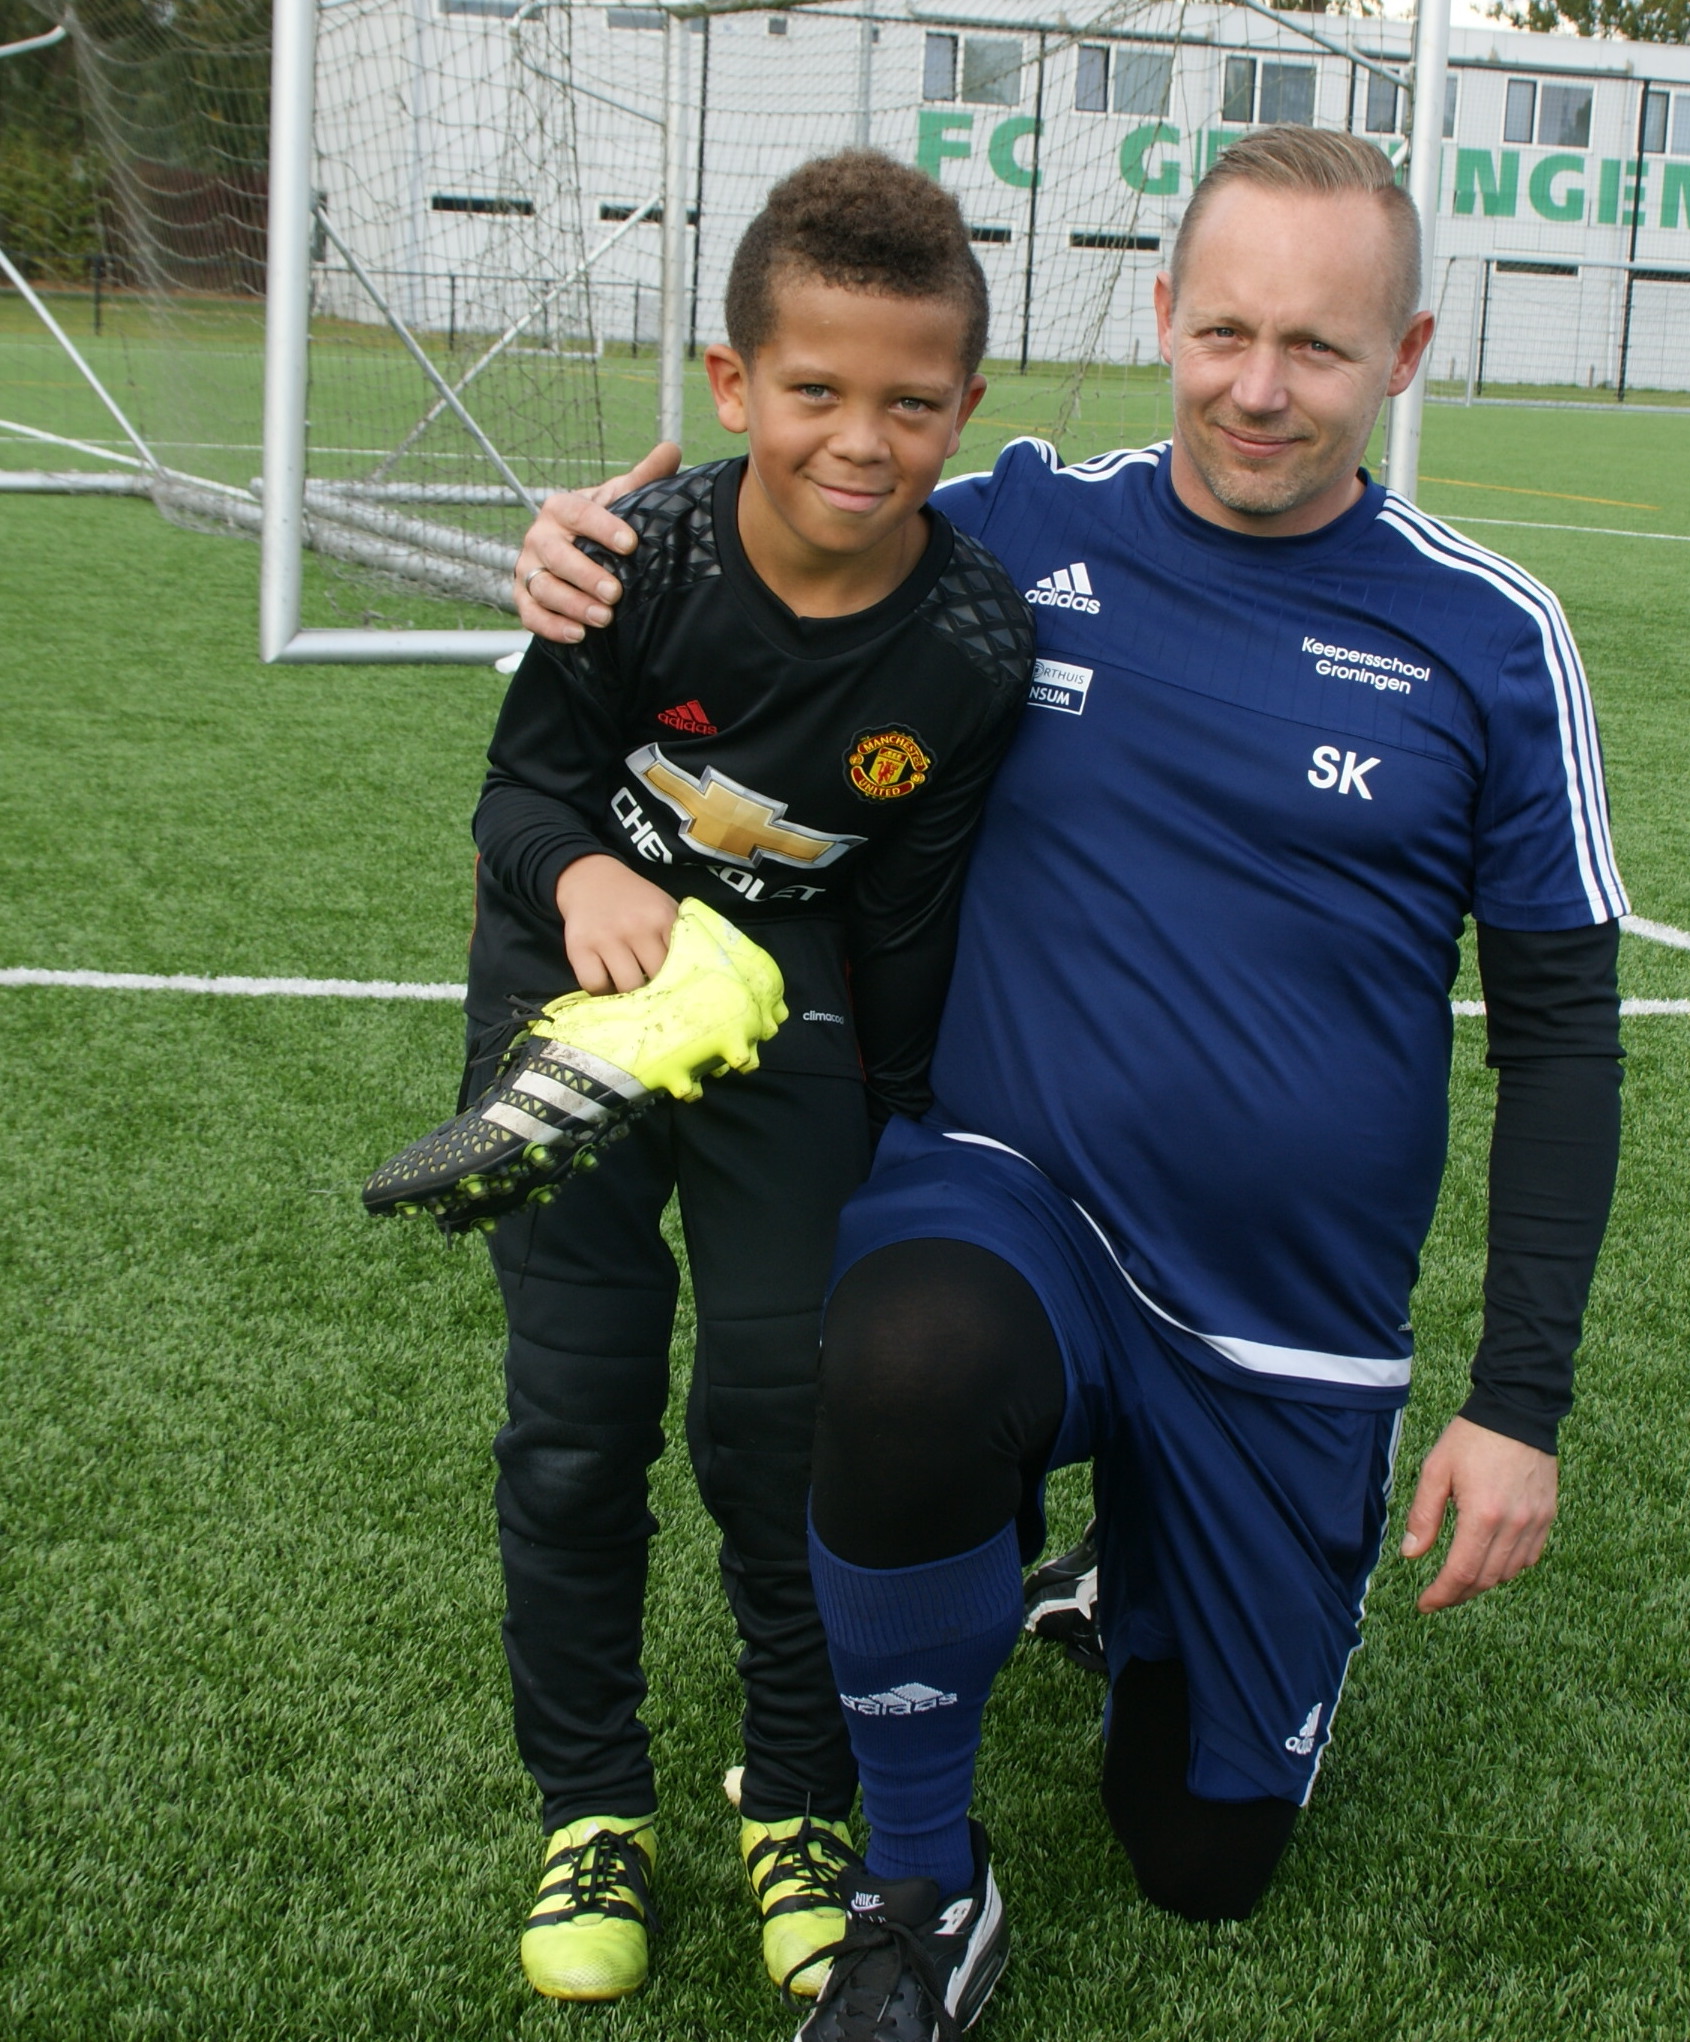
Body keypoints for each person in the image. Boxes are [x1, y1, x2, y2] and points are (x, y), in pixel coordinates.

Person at [517, 127, 1626, 2042]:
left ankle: (1137, 1575)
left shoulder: (1489, 640)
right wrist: (585, 548)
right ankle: (922, 1880)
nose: (1259, 388)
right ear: (1164, 315)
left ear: (1407, 355)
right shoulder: (1020, 529)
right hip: (1009, 1198)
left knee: (1202, 1857)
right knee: (906, 1356)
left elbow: (1563, 1040)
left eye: (1319, 347)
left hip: (1281, 1310)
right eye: (1225, 332)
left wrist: (1517, 1402)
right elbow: (799, 496)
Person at [454, 152, 1030, 2007]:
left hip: (787, 1029)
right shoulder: (643, 558)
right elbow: (520, 793)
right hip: (576, 995)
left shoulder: (970, 646)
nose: (861, 439)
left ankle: (792, 1796)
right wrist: (585, 875)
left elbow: (911, 917)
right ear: (732, 382)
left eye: (910, 402)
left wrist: (909, 1124)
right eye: (815, 390)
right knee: (577, 1418)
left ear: (965, 404)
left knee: (786, 1418)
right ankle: (590, 1806)